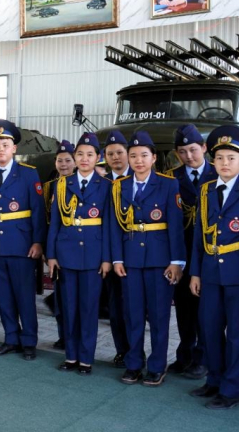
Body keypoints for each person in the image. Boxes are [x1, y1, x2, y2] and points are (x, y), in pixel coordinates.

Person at [187, 126, 239, 410]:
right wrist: (195, 272)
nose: (224, 163)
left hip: (238, 276)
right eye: (219, 158)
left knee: (237, 334)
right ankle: (214, 380)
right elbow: (200, 234)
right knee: (209, 329)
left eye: (231, 158)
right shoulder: (206, 189)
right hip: (210, 272)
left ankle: (231, 389)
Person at [110, 130, 185, 386]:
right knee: (132, 315)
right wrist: (117, 259)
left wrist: (177, 262)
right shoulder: (119, 186)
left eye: (144, 155)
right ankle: (133, 364)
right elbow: (114, 226)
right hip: (130, 259)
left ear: (154, 158)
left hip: (159, 260)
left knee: (159, 316)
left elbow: (175, 226)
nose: (138, 160)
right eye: (133, 156)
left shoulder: (168, 184)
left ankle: (157, 366)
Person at [0, 120, 46, 361]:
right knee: (3, 296)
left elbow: (37, 211)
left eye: (5, 145)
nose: (1, 150)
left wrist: (38, 242)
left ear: (14, 148)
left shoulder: (28, 173)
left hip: (21, 245)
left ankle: (29, 341)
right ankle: (11, 338)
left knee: (24, 296)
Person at [47, 132, 112, 376]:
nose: (84, 159)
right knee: (69, 308)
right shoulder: (62, 184)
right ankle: (71, 356)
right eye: (80, 154)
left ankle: (86, 358)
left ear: (98, 157)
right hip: (66, 254)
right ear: (74, 158)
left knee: (88, 309)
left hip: (94, 256)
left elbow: (109, 226)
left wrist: (107, 258)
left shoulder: (107, 186)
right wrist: (51, 255)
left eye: (89, 154)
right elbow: (54, 222)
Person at [166, 124, 216, 380]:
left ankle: (203, 357)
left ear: (204, 148)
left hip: (211, 254)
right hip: (182, 253)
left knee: (206, 309)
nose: (189, 156)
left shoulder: (219, 174)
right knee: (184, 307)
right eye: (183, 151)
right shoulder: (170, 178)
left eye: (193, 150)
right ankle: (184, 354)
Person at [103, 130, 131, 368]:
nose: (115, 157)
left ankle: (137, 352)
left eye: (120, 152)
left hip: (135, 254)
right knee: (115, 307)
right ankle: (122, 350)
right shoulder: (102, 183)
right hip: (109, 256)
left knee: (135, 308)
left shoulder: (140, 177)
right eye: (110, 154)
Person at [43, 139, 75, 349]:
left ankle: (74, 336)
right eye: (60, 160)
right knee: (60, 296)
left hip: (76, 248)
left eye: (67, 160)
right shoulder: (49, 187)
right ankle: (63, 335)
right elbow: (46, 221)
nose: (63, 164)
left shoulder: (81, 184)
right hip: (55, 249)